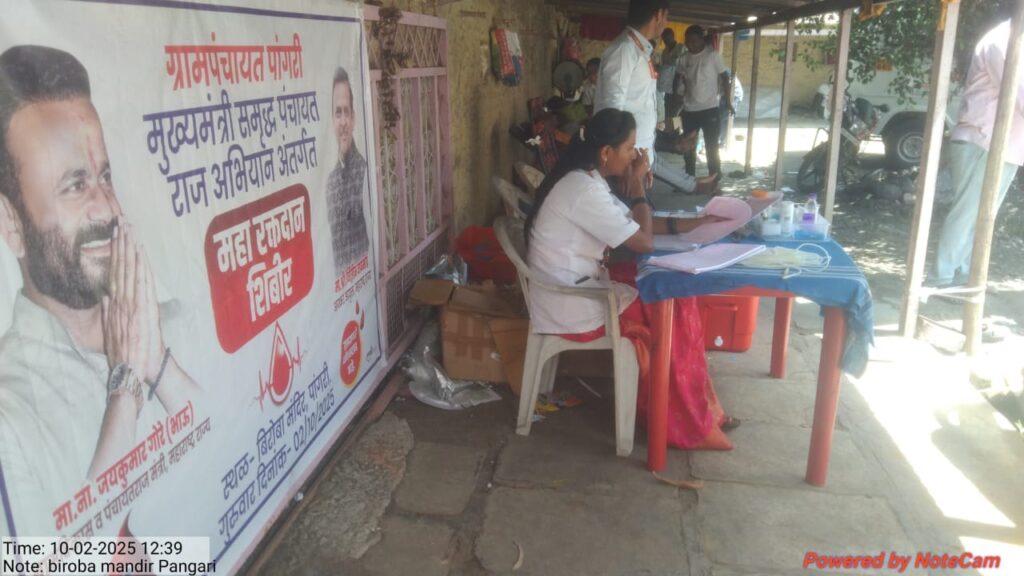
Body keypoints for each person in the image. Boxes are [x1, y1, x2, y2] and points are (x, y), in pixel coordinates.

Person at [0, 45, 201, 536]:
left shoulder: (170, 321)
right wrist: (126, 388)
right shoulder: (11, 411)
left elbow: (231, 444)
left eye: (104, 177)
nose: (108, 207)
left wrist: (159, 368)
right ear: (11, 223)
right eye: (75, 186)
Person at [525, 108, 738, 451]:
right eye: (629, 148)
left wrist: (702, 223)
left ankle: (699, 411)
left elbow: (638, 225)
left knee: (671, 289)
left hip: (578, 286)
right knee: (670, 303)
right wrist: (637, 185)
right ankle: (685, 423)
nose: (635, 156)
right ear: (606, 152)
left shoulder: (587, 180)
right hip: (571, 304)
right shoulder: (584, 190)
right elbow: (644, 241)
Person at [930, 18, 1023, 289]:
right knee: (968, 215)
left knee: (982, 218)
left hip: (1002, 146)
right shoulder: (1003, 41)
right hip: (983, 142)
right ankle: (942, 278)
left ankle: (963, 278)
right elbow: (1018, 93)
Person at [595, 0, 716, 195]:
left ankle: (691, 183)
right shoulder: (624, 50)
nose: (666, 22)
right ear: (659, 14)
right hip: (626, 163)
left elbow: (638, 105)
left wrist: (669, 145)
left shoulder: (638, 49)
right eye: (666, 17)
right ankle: (692, 184)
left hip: (638, 156)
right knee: (634, 211)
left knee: (640, 209)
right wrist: (622, 164)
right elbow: (611, 111)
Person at [326, 65, 371, 278]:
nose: (343, 121)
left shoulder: (364, 172)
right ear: (332, 121)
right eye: (338, 113)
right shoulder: (330, 183)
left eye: (346, 112)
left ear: (353, 118)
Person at [677, 25, 730, 178]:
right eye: (687, 41)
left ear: (702, 40)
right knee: (688, 146)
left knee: (711, 147)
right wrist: (678, 96)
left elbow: (725, 77)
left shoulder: (712, 55)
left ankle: (714, 178)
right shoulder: (684, 58)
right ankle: (689, 179)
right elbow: (678, 77)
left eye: (693, 41)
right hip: (689, 110)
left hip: (709, 109)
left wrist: (727, 100)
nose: (690, 44)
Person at [658, 28, 685, 125]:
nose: (666, 42)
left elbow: (684, 67)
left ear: (673, 37)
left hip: (679, 89)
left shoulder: (682, 48)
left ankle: (675, 131)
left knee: (676, 114)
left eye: (668, 39)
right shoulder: (664, 52)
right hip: (668, 89)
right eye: (664, 40)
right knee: (668, 113)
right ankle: (669, 131)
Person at [718, 69, 743, 148]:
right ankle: (722, 141)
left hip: (732, 95)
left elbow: (727, 85)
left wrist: (729, 103)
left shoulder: (720, 71)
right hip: (729, 95)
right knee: (723, 119)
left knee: (723, 119)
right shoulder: (718, 69)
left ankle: (721, 142)